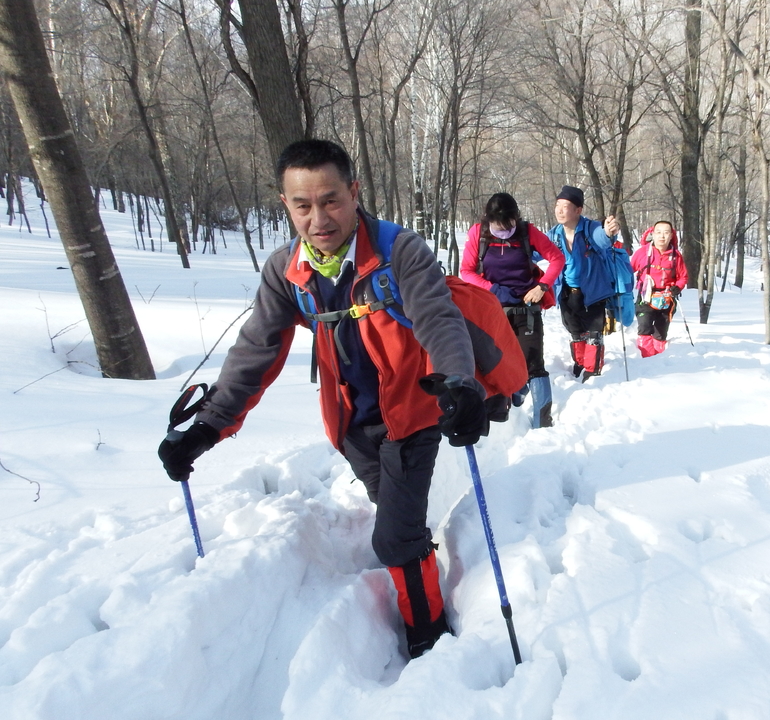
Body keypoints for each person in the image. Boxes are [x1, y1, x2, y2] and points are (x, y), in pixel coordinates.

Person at [158, 139, 490, 660]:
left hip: (412, 412)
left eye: (331, 200)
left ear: (354, 192)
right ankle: (415, 552)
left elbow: (438, 318)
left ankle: (428, 635)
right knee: (394, 515)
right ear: (285, 204)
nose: (319, 219)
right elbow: (257, 351)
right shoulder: (286, 271)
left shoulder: (399, 251)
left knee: (394, 538)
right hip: (351, 424)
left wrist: (458, 382)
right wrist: (206, 428)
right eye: (302, 205)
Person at [461, 193, 565, 428]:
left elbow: (557, 259)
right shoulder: (479, 234)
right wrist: (493, 289)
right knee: (497, 363)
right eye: (498, 224)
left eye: (508, 224)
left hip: (526, 308)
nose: (504, 229)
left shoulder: (528, 232)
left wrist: (542, 286)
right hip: (493, 309)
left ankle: (542, 422)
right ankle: (505, 417)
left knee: (533, 364)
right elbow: (466, 271)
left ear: (516, 217)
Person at [548, 185, 619, 379]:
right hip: (567, 293)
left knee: (594, 334)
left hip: (593, 293)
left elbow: (602, 239)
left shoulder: (590, 228)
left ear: (578, 210)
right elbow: (537, 252)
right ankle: (580, 364)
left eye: (565, 206)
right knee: (575, 332)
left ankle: (592, 369)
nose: (559, 210)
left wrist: (608, 232)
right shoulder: (554, 234)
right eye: (557, 205)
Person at [631, 220, 688, 358]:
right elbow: (628, 270)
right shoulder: (642, 252)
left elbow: (683, 276)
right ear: (653, 234)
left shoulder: (676, 256)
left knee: (660, 332)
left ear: (671, 235)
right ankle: (646, 358)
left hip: (667, 298)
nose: (662, 236)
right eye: (658, 232)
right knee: (644, 327)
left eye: (666, 232)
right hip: (645, 297)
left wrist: (678, 287)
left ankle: (658, 359)